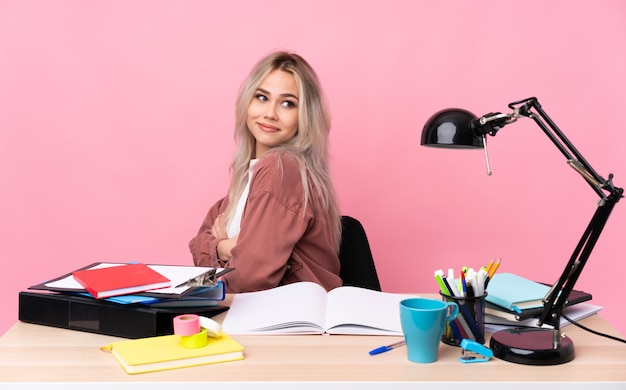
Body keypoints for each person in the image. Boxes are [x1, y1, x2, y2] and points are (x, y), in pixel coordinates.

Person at [189, 51, 343, 293]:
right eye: (262, 97)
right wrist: (226, 248)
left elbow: (248, 279)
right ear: (247, 101)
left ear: (304, 116)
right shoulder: (248, 178)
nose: (270, 113)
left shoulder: (281, 168)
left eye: (287, 103)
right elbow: (197, 247)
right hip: (252, 317)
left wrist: (220, 249)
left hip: (285, 322)